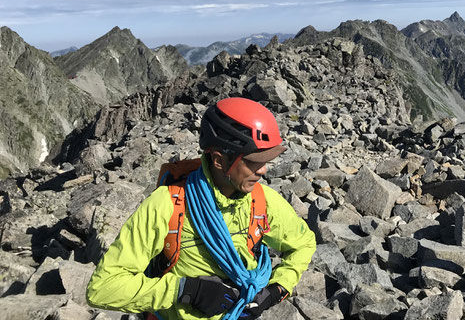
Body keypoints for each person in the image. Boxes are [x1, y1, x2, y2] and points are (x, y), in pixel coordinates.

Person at [86, 97, 317, 320]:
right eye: (253, 161)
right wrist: (186, 290)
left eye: (266, 161)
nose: (263, 170)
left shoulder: (262, 201)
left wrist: (276, 290)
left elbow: (304, 243)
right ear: (219, 160)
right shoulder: (167, 205)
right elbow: (103, 288)